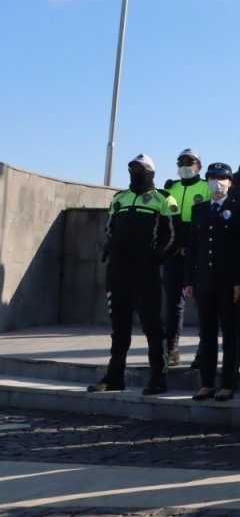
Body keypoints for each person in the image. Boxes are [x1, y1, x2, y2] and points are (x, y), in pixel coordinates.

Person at [89, 154, 179, 395]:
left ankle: (158, 377)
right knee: (119, 328)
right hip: (118, 273)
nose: (134, 172)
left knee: (152, 327)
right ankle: (114, 376)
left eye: (139, 169)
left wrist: (155, 258)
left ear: (150, 171)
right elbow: (109, 228)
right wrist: (113, 249)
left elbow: (172, 236)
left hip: (145, 274)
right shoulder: (119, 198)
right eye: (131, 168)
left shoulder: (162, 198)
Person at [184, 162, 240, 401]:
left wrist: (239, 282)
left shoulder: (239, 209)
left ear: (230, 182)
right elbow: (193, 249)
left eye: (222, 177)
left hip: (228, 283)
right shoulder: (199, 210)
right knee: (207, 335)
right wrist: (189, 280)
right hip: (204, 282)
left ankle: (228, 384)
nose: (216, 182)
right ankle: (207, 383)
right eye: (212, 177)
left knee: (230, 336)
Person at [162, 148, 209, 367]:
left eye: (189, 162)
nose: (184, 166)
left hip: (198, 251)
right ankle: (171, 347)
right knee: (173, 303)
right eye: (180, 162)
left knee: (203, 304)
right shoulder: (171, 187)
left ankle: (204, 349)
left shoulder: (206, 187)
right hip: (174, 250)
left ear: (199, 165)